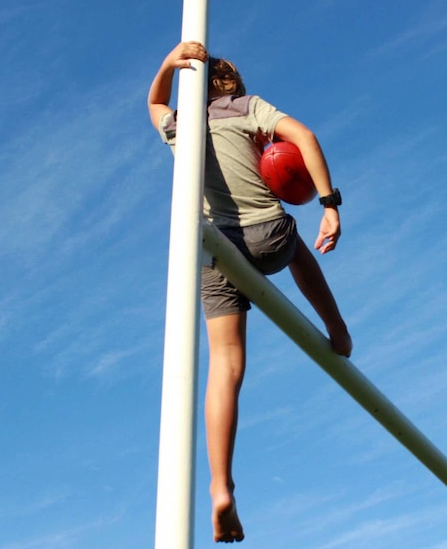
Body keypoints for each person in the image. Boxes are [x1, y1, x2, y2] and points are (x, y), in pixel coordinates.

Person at [148, 41, 352, 543]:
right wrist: (330, 204)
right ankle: (338, 330)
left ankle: (221, 485)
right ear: (232, 84)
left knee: (226, 365)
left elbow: (154, 104)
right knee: (299, 248)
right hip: (267, 236)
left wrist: (168, 65)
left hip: (213, 248)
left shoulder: (179, 126)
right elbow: (302, 135)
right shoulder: (245, 106)